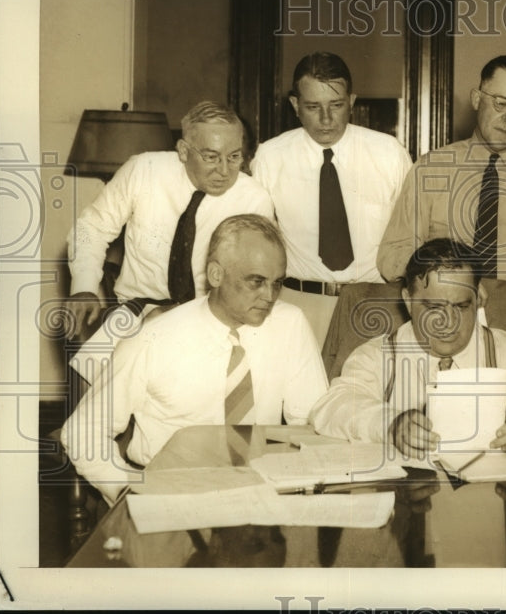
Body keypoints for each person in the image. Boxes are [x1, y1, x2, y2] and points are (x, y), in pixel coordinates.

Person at [61, 214, 330, 505]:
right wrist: (128, 490)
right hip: (172, 493)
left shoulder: (290, 324)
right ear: (216, 275)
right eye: (256, 282)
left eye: (277, 283)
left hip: (261, 491)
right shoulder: (153, 339)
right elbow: (83, 431)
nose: (269, 296)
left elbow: (312, 422)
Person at [311, 238, 506, 457]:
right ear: (408, 300)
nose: (448, 322)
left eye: (460, 306)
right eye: (433, 307)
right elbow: (333, 405)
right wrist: (391, 425)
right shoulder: (378, 355)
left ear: (480, 297)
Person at [65, 101, 274, 378]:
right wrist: (84, 287)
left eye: (234, 157)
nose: (225, 171)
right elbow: (92, 227)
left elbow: (252, 279)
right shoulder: (143, 170)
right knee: (97, 397)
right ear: (184, 150)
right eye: (211, 157)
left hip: (211, 317)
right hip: (136, 312)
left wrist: (183, 318)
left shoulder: (254, 198)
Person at [251, 52, 412, 344]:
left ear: (351, 101)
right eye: (313, 107)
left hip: (373, 302)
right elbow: (258, 242)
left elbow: (414, 233)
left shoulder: (389, 154)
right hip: (300, 303)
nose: (326, 119)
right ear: (295, 105)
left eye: (336, 105)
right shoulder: (270, 158)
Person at [377, 55, 506, 289]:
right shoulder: (431, 168)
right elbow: (394, 253)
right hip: (444, 301)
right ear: (476, 99)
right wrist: (446, 279)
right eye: (501, 103)